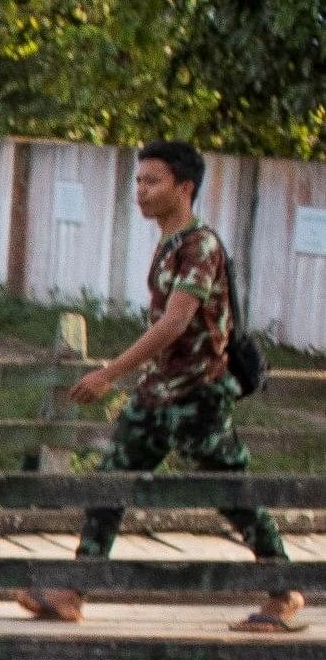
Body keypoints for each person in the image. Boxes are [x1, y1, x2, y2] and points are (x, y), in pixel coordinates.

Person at [20, 141, 300, 634]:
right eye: (138, 181)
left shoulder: (200, 246)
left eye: (153, 181)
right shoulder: (170, 243)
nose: (141, 191)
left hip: (199, 397)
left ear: (184, 188)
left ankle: (284, 592)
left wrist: (108, 373)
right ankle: (72, 591)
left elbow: (174, 324)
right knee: (112, 482)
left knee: (232, 491)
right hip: (157, 395)